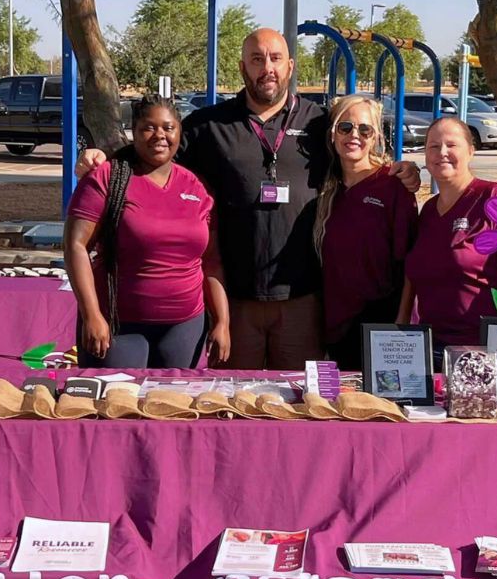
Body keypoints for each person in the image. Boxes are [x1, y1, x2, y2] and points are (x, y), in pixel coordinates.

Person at [76, 29, 422, 369]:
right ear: (243, 68)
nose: (266, 68)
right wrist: (105, 159)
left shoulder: (321, 124)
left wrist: (400, 168)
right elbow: (154, 150)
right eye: (256, 59)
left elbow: (358, 152)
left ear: (290, 66)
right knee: (234, 404)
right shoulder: (208, 126)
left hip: (301, 300)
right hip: (235, 298)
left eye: (274, 59)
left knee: (299, 404)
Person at [64, 94, 231, 369]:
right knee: (118, 407)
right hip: (118, 325)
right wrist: (92, 314)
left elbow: (211, 262)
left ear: (179, 131)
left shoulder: (196, 187)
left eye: (168, 127)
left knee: (173, 407)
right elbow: (75, 247)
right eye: (148, 127)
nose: (159, 135)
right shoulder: (107, 178)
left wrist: (222, 321)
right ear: (134, 131)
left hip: (185, 327)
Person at [399, 116, 497, 364]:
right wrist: (400, 330)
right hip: (429, 348)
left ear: (471, 151)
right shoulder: (427, 210)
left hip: (480, 351)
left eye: (452, 145)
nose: (442, 152)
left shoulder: (493, 198)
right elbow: (413, 276)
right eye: (434, 146)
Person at [312, 95, 418, 370]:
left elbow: (410, 264)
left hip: (380, 321)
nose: (354, 135)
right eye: (345, 127)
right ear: (333, 134)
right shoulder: (324, 188)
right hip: (333, 323)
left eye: (364, 129)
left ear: (375, 137)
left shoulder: (392, 186)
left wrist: (402, 320)